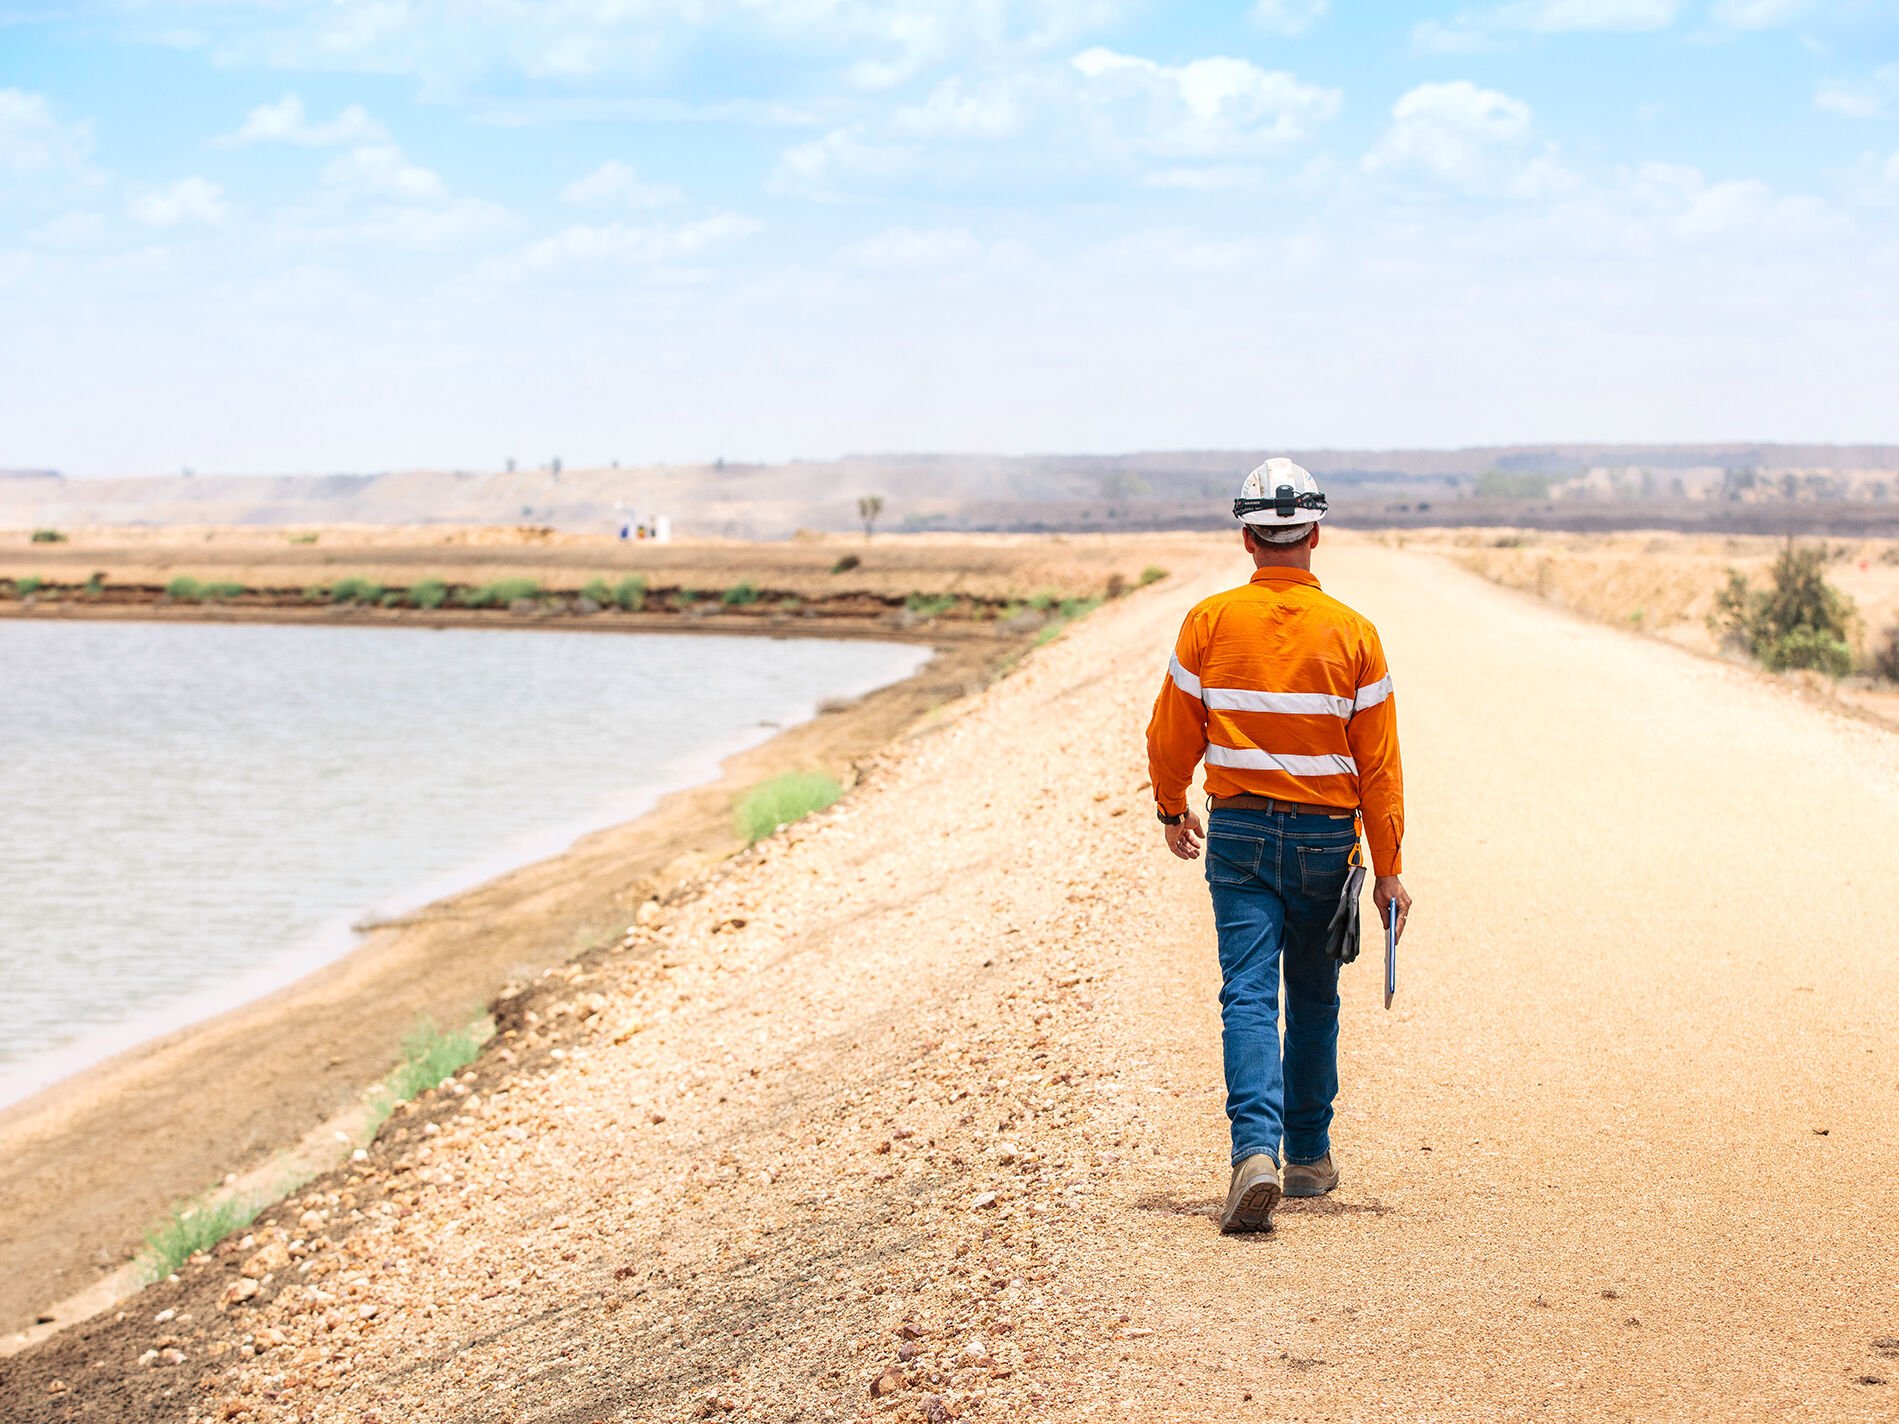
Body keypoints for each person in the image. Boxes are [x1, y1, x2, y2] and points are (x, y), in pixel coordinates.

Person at [1145, 457, 1411, 1234]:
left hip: (1239, 834)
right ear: (1314, 535)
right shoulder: (1354, 633)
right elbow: (1380, 767)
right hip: (1329, 842)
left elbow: (1171, 734)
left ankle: (1252, 1154)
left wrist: (1170, 807)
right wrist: (1388, 871)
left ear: (1248, 539)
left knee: (1248, 996)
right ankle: (1307, 1158)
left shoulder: (1208, 622)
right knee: (1316, 998)